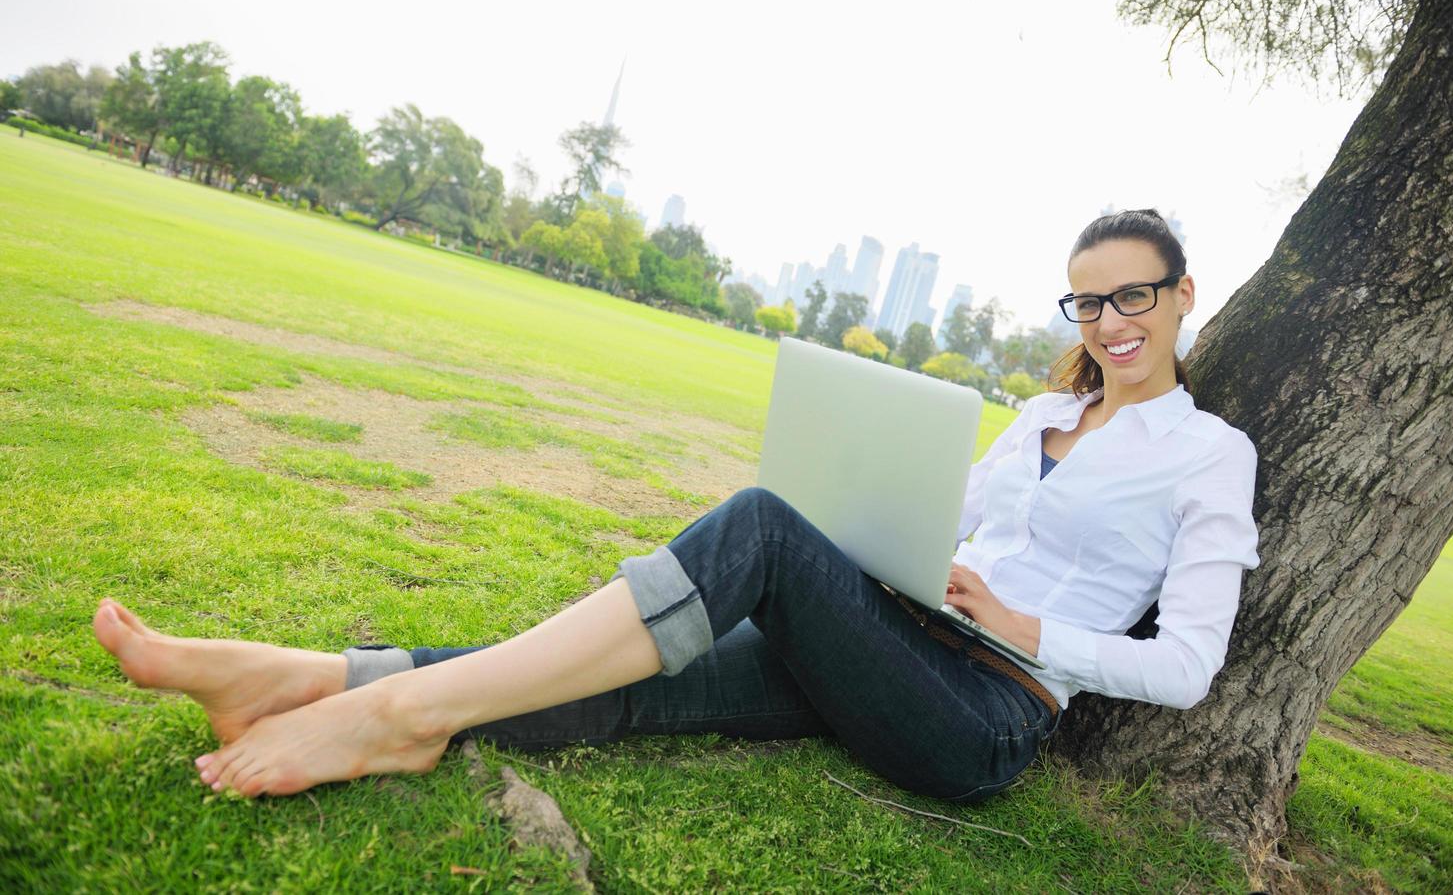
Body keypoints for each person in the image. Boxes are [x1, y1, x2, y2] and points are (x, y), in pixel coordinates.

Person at [92, 208, 1260, 802]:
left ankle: (389, 718)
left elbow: (1193, 663)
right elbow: (933, 526)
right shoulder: (1036, 418)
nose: (1111, 322)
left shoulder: (1210, 456)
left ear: (1182, 295)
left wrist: (1022, 628)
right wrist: (885, 537)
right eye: (1089, 301)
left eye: (1135, 297)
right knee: (632, 679)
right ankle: (297, 676)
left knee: (754, 524)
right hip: (894, 645)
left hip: (984, 710)